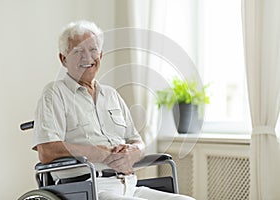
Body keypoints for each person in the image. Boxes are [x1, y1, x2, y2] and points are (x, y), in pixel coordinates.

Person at [33, 20, 195, 200]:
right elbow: (46, 151)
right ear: (63, 59)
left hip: (129, 185)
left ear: (100, 55)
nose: (87, 57)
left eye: (93, 50)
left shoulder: (111, 95)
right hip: (91, 187)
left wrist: (133, 152)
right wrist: (97, 153)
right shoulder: (55, 93)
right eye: (78, 51)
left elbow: (137, 141)